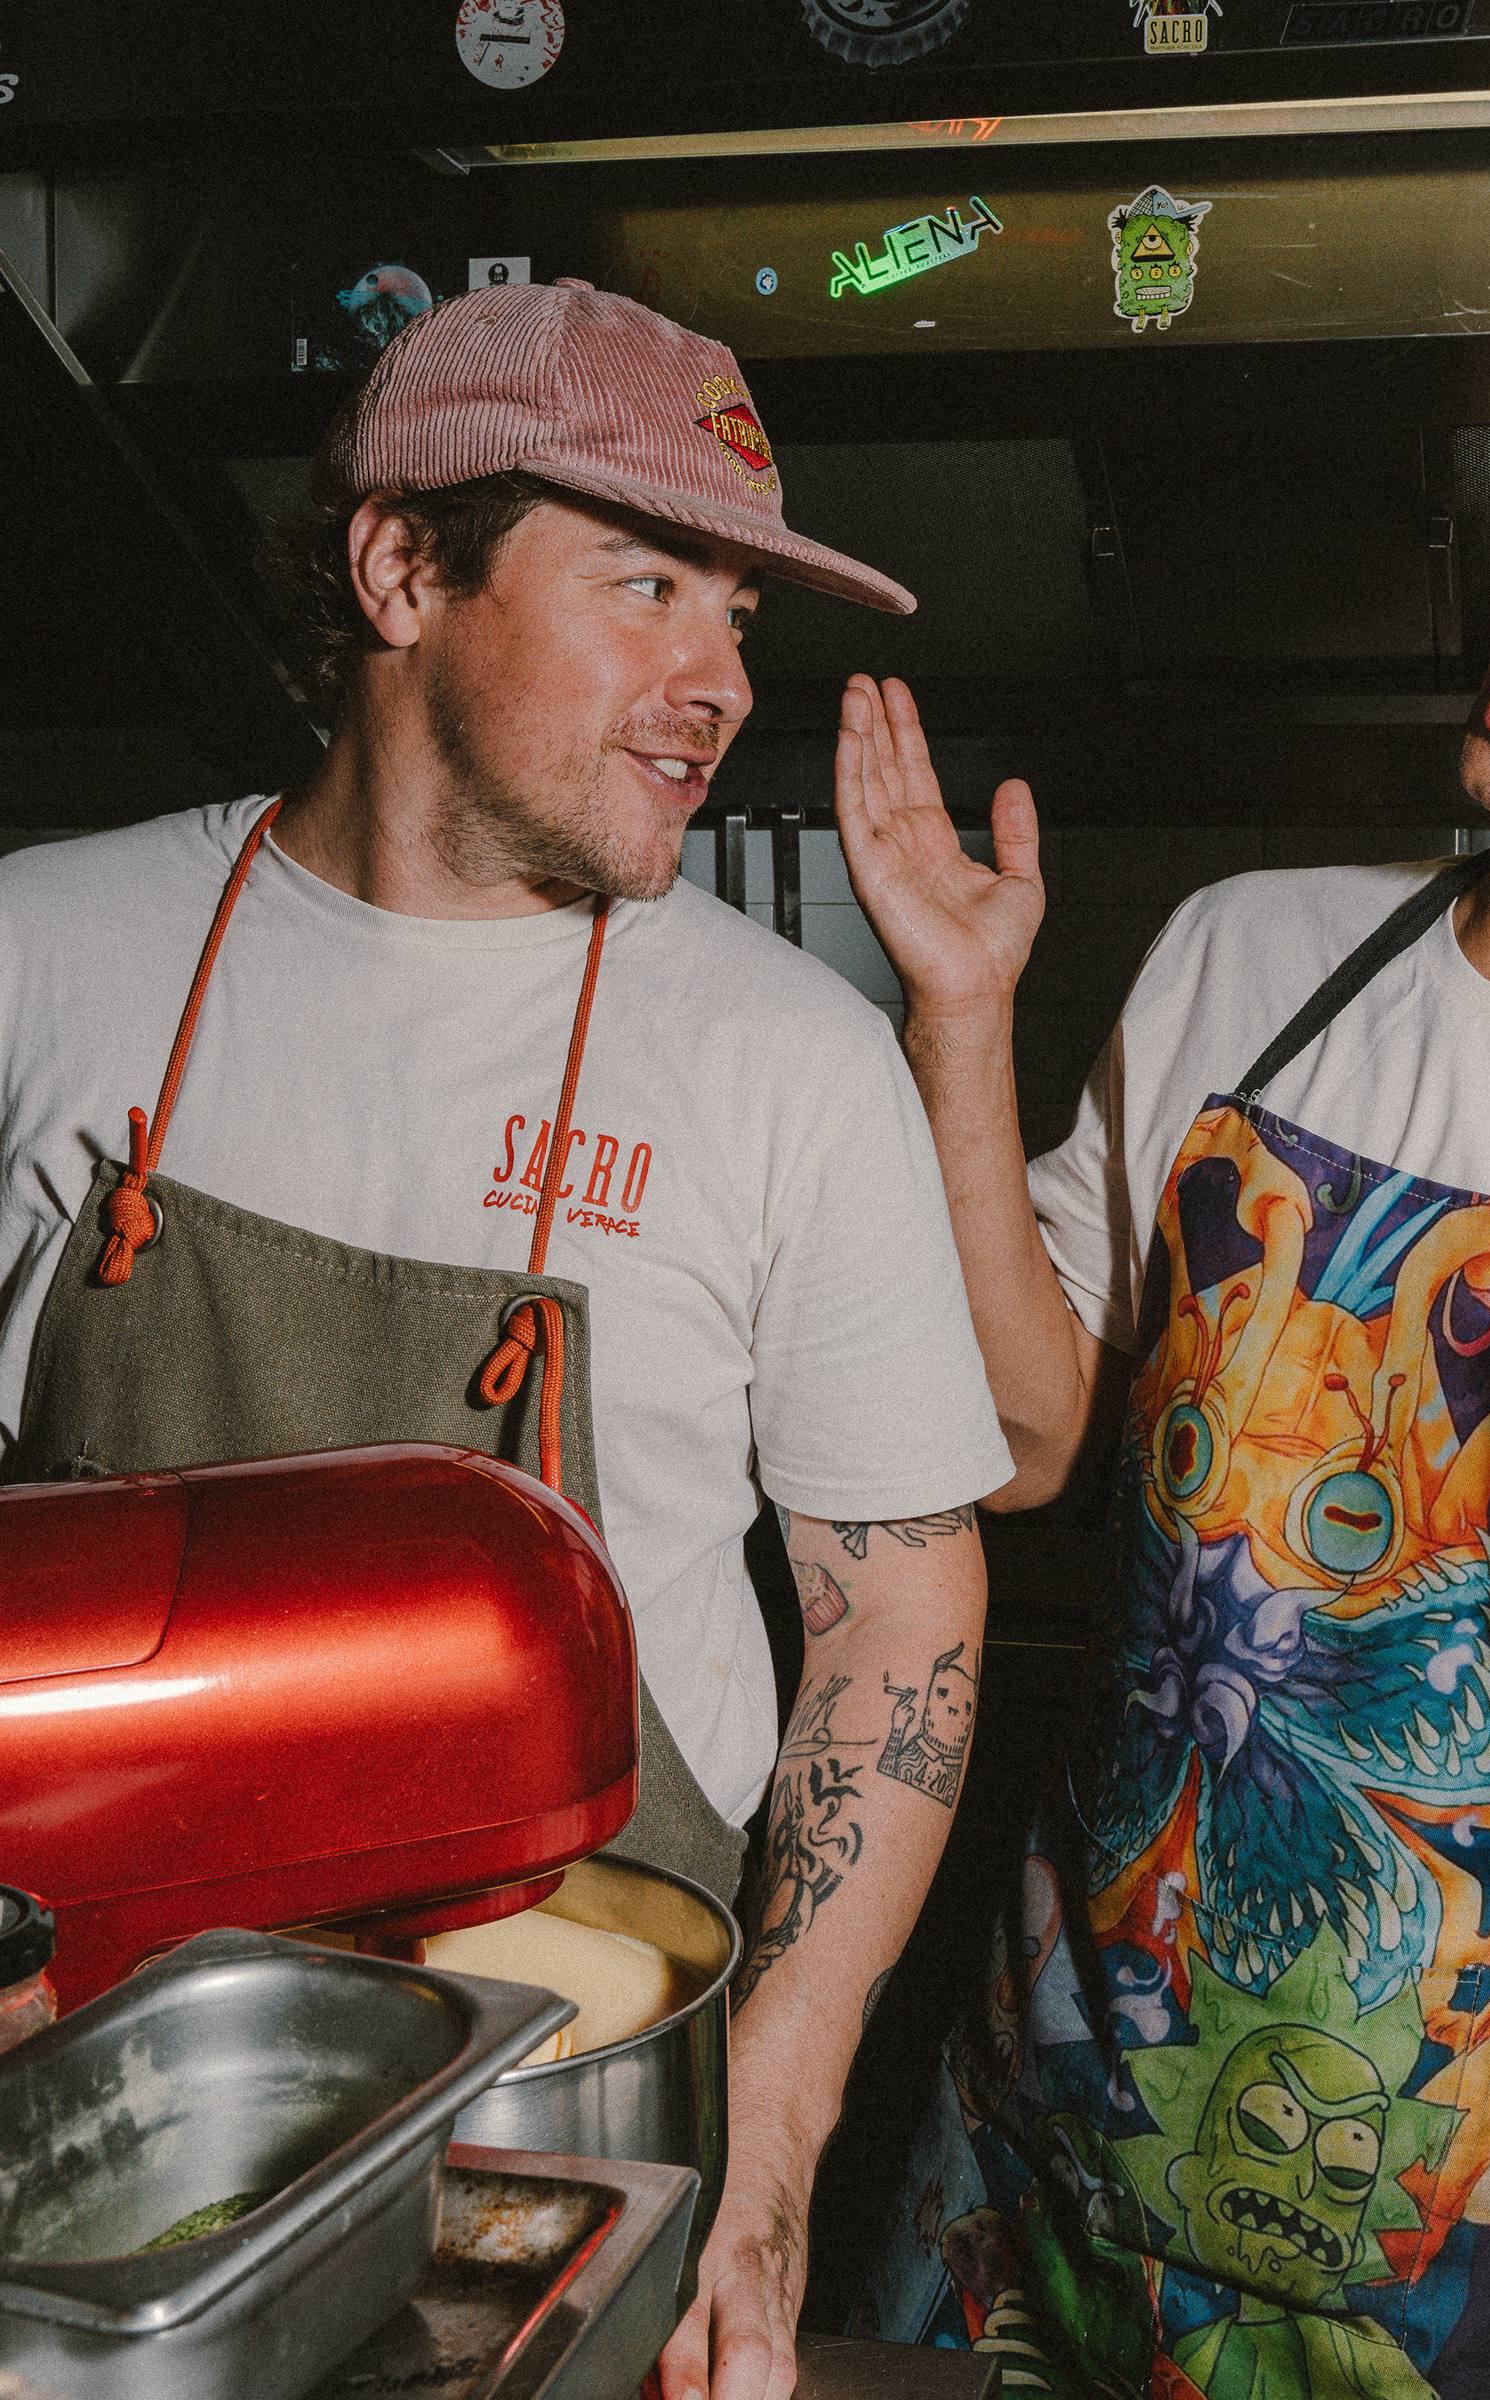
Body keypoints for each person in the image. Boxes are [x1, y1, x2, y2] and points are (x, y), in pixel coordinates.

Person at [834, 324, 1490, 2392]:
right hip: (1045, 2153)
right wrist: (962, 1024)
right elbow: (1025, 1437)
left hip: (1479, 2266)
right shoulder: (1250, 951)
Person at [0, 280, 1015, 2400]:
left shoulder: (788, 1063)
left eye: (738, 611)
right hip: (84, 2097)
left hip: (574, 2121)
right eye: (647, 584)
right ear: (401, 570)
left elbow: (899, 1614)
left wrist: (770, 2150)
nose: (718, 679)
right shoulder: (42, 957)